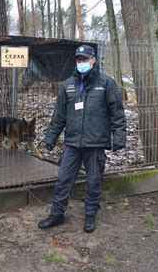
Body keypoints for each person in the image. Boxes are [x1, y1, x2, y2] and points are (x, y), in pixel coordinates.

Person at [38, 44, 127, 233]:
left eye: (85, 60)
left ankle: (90, 215)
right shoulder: (68, 85)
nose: (81, 63)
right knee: (63, 179)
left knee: (94, 181)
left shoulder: (106, 83)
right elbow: (59, 115)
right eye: (78, 60)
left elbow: (117, 113)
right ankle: (57, 214)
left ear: (93, 60)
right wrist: (50, 138)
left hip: (95, 144)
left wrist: (119, 137)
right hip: (72, 143)